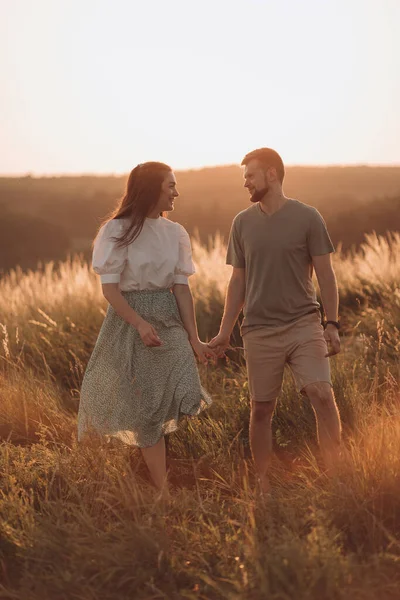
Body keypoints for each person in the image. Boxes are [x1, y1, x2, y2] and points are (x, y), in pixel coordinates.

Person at [78, 161, 214, 497]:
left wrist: (194, 339)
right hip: (130, 319)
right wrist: (139, 324)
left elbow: (182, 289)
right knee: (145, 407)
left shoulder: (176, 233)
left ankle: (158, 465)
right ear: (152, 188)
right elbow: (110, 290)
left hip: (168, 317)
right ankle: (161, 489)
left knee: (185, 389)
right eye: (171, 186)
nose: (176, 193)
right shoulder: (117, 230)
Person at [209, 148, 341, 493]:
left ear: (271, 174)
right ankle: (263, 483)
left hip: (304, 323)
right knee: (262, 409)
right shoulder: (242, 223)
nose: (246, 183)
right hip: (259, 330)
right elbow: (237, 281)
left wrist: (332, 323)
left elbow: (326, 275)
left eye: (250, 176)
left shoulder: (308, 217)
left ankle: (336, 477)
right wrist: (224, 332)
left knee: (322, 394)